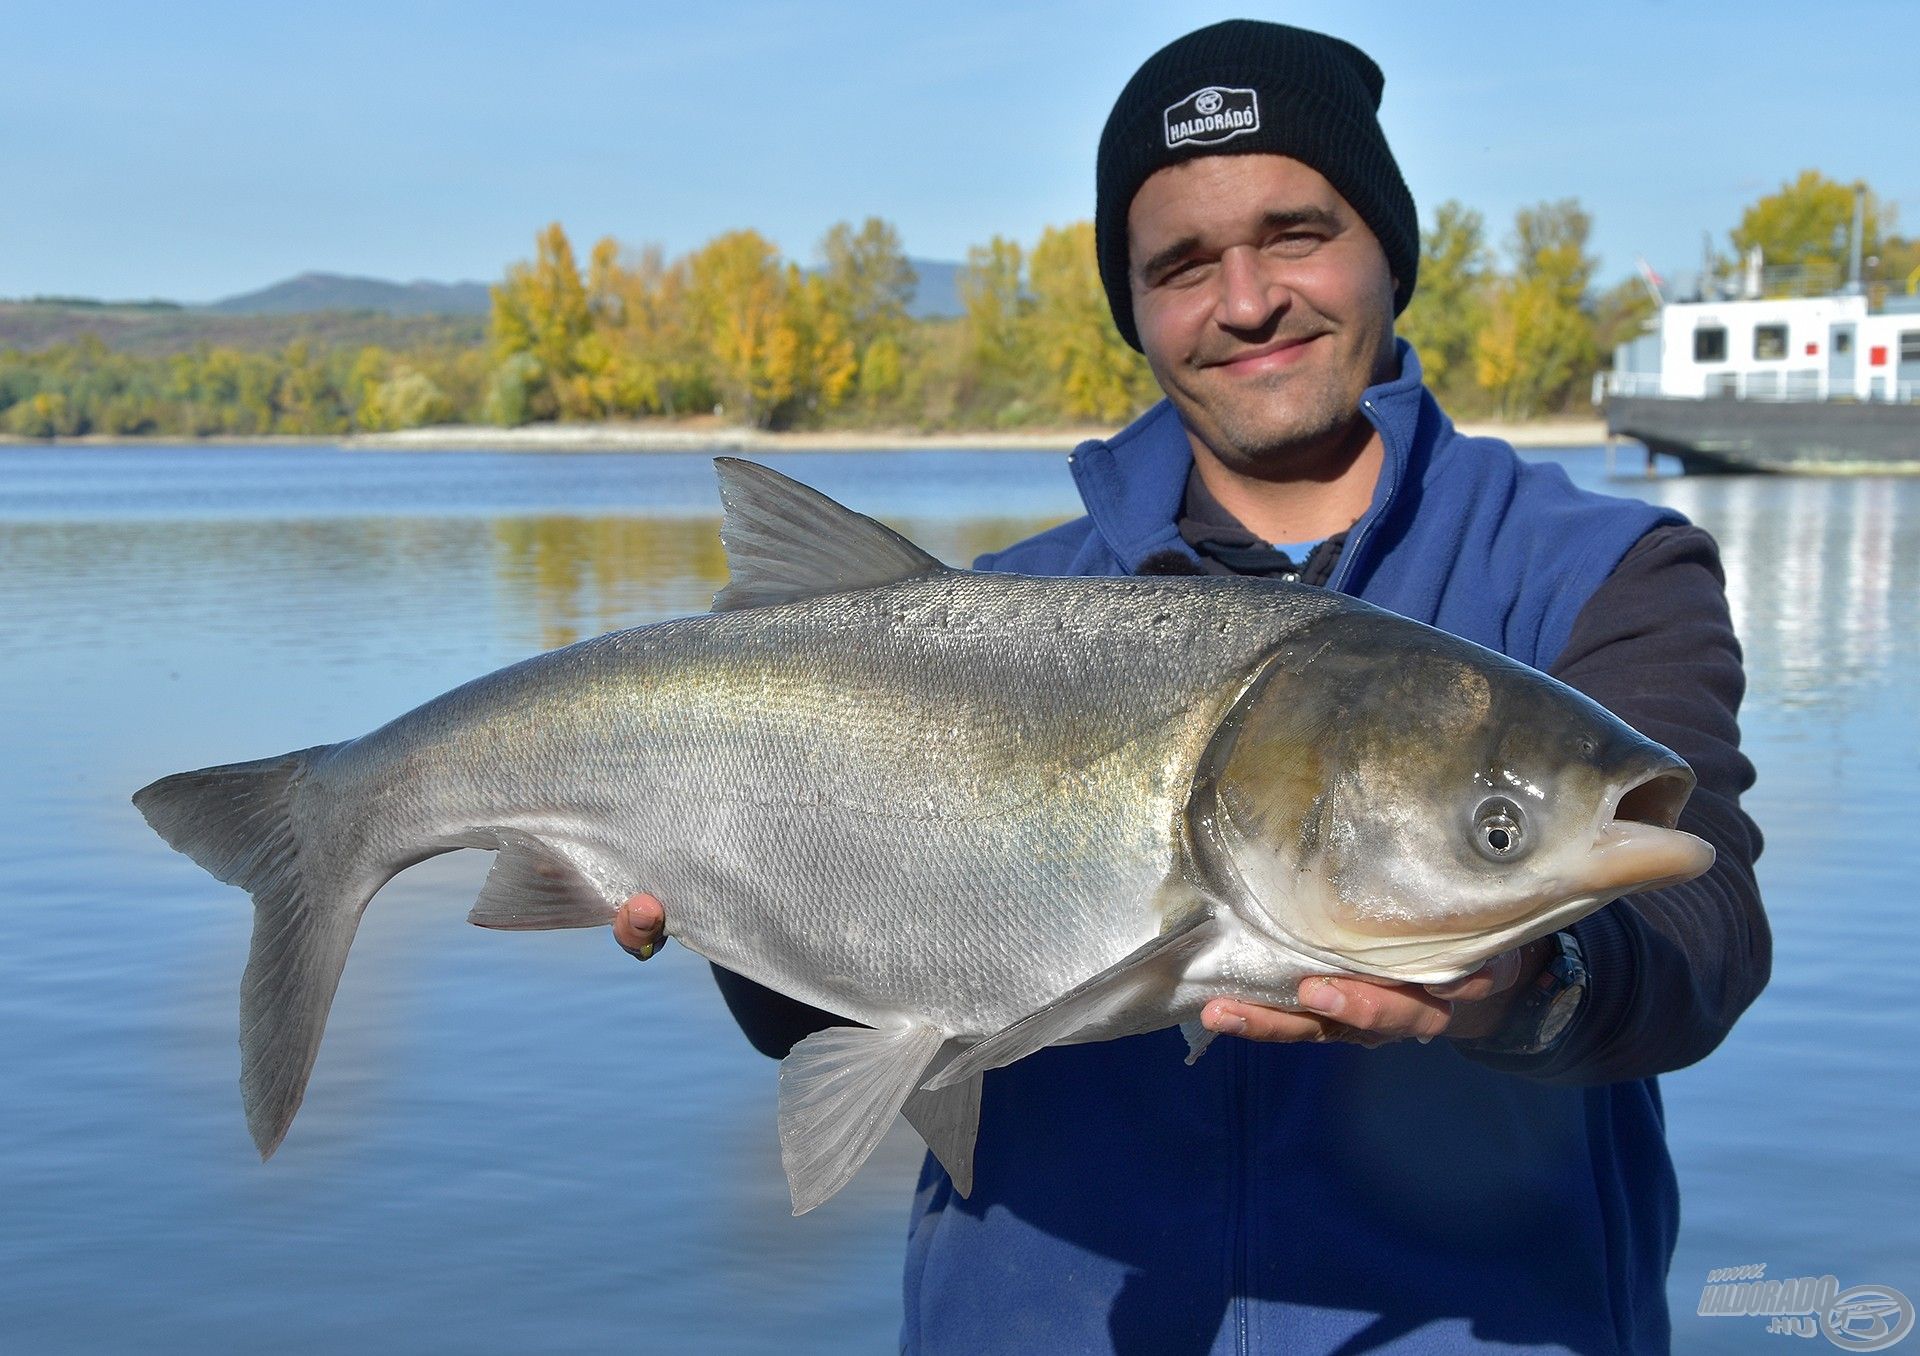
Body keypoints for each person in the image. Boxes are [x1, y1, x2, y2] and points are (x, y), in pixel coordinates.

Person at [613, 19, 1768, 1353]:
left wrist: (1522, 986)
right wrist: (714, 882)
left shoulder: (1605, 570)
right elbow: (809, 1019)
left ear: (1386, 244)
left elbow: (1702, 939)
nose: (1246, 300)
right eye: (1181, 264)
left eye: (1294, 233)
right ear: (1137, 306)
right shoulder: (977, 618)